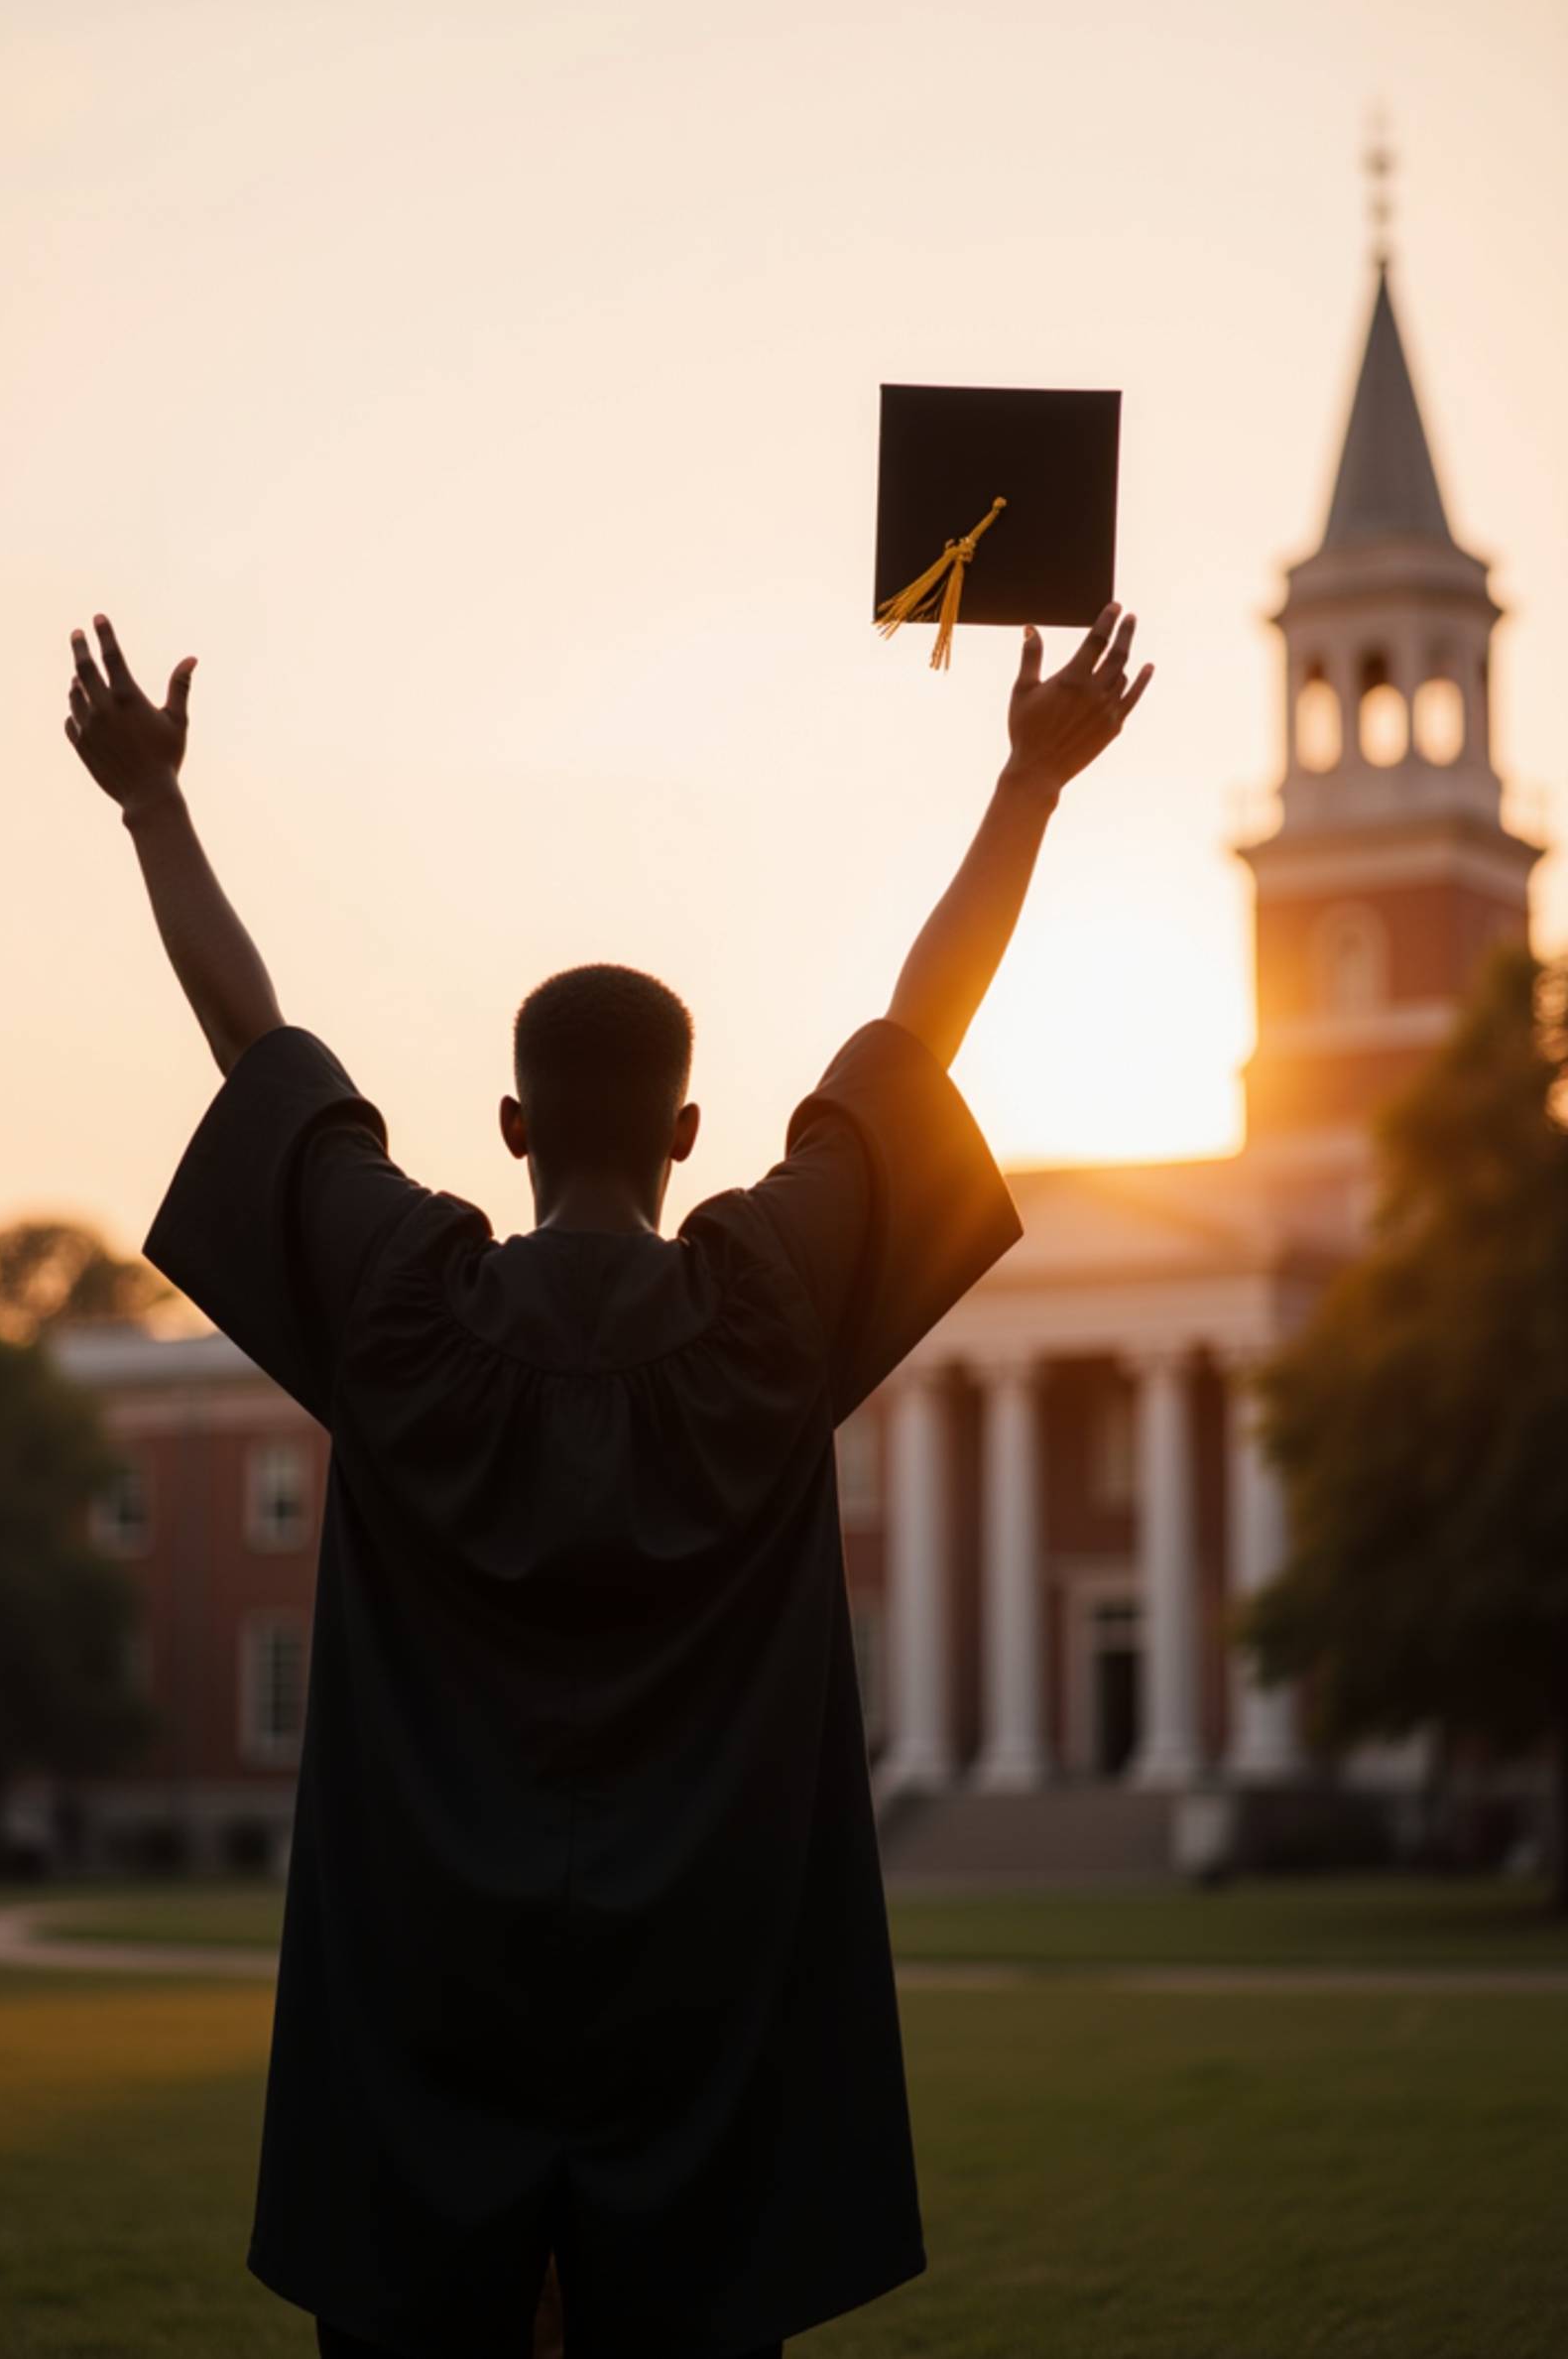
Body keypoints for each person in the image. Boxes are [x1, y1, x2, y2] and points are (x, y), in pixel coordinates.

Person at [62, 602, 1150, 2359]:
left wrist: (153, 809)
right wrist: (1028, 780)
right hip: (707, 2041)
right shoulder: (763, 1316)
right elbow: (913, 1044)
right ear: (688, 1135)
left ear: (508, 1128)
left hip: (426, 2028)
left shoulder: (409, 1316)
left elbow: (259, 1053)